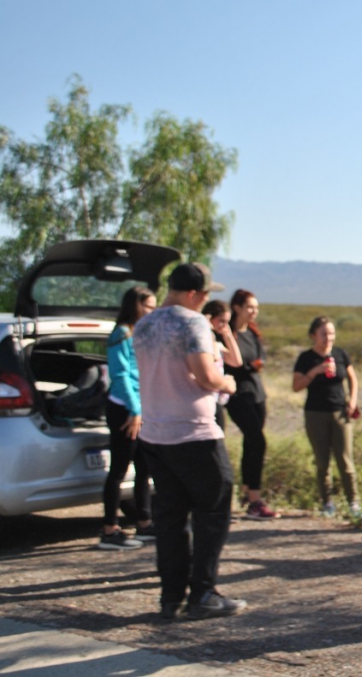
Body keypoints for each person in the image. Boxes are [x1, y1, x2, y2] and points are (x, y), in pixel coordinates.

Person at [133, 262, 245, 620]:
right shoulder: (192, 322)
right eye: (205, 295)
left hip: (155, 433)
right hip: (194, 433)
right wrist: (228, 383)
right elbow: (207, 376)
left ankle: (171, 597)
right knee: (212, 512)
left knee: (170, 518)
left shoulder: (144, 324)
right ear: (196, 294)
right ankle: (203, 593)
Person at [99, 285, 158, 551]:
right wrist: (135, 410)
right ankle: (110, 529)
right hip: (125, 408)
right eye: (148, 306)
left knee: (143, 469)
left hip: (141, 407)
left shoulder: (141, 333)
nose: (152, 311)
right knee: (120, 469)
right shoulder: (121, 334)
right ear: (135, 305)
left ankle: (144, 522)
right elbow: (121, 375)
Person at [292, 316, 361, 516]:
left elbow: (352, 379)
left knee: (345, 459)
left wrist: (353, 400)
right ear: (313, 335)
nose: (328, 337)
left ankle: (353, 502)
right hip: (315, 413)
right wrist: (315, 371)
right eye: (323, 334)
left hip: (340, 411)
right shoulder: (306, 358)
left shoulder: (340, 354)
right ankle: (327, 502)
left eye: (331, 333)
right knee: (322, 461)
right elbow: (296, 386)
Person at [224, 290, 277, 520]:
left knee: (251, 443)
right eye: (250, 307)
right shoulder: (227, 333)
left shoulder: (253, 333)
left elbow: (259, 358)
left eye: (256, 308)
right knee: (257, 440)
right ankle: (255, 500)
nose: (254, 312)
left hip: (257, 393)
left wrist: (256, 364)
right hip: (238, 395)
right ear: (237, 307)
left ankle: (247, 491)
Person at [202, 299, 242, 435]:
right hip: (204, 400)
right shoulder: (205, 342)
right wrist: (205, 328)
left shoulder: (217, 344)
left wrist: (228, 335)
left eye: (227, 322)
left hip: (216, 400)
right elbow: (212, 357)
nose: (224, 325)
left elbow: (237, 361)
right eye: (221, 321)